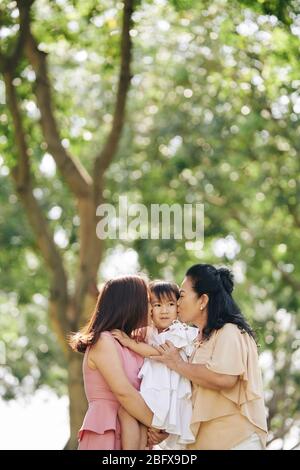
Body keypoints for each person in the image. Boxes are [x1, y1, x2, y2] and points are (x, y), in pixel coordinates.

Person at [148, 264, 268, 450]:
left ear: (203, 300)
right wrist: (166, 427)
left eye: (182, 295)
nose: (177, 302)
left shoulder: (230, 331)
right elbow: (189, 396)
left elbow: (225, 378)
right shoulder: (196, 341)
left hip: (236, 442)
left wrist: (177, 363)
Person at [69, 275, 154, 450]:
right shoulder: (104, 341)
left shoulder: (135, 344)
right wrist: (159, 424)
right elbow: (123, 392)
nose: (151, 308)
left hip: (136, 431)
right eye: (147, 301)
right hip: (106, 431)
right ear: (130, 304)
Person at [112, 280, 198, 449]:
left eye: (170, 304)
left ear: (178, 307)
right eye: (157, 305)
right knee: (139, 425)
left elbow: (159, 352)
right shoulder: (149, 333)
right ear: (149, 309)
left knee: (127, 412)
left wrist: (129, 342)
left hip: (166, 393)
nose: (164, 310)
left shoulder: (178, 331)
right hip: (154, 390)